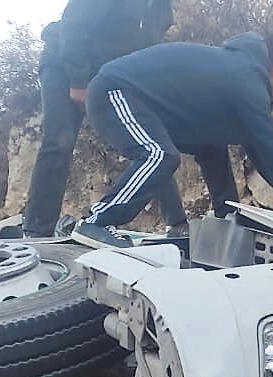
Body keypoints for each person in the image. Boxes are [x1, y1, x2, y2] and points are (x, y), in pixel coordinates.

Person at [80, 33, 273, 233]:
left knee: (209, 146)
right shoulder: (247, 78)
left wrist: (229, 218)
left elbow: (213, 151)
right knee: (158, 155)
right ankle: (96, 222)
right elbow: (266, 147)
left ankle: (227, 221)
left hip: (135, 98)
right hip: (115, 90)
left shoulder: (234, 76)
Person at [21, 0, 186, 238]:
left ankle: (177, 224)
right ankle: (37, 230)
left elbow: (149, 49)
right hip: (64, 63)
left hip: (112, 74)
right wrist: (78, 81)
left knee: (153, 141)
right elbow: (73, 26)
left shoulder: (161, 7)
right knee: (59, 141)